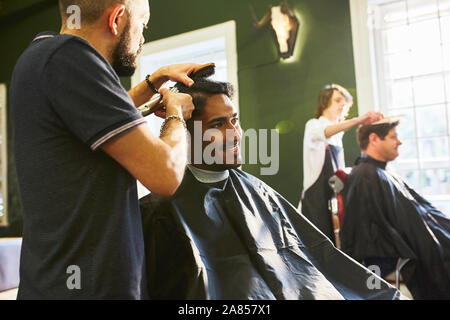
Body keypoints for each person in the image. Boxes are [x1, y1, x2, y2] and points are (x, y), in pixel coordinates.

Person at [140, 74, 403, 300]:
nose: (235, 133)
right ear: (187, 132)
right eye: (218, 124)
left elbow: (320, 261)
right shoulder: (159, 211)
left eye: (235, 120)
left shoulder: (259, 192)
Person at [10, 0, 204, 299]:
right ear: (116, 19)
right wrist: (177, 114)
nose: (142, 37)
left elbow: (92, 116)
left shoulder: (42, 55)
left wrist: (153, 83)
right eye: (143, 23)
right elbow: (166, 174)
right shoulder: (71, 58)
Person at [340, 119, 450, 299]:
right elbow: (371, 236)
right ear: (374, 139)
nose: (399, 142)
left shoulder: (383, 174)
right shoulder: (366, 177)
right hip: (392, 256)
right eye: (393, 137)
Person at [300, 84, 383, 243]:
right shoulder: (313, 125)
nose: (342, 105)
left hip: (334, 202)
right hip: (315, 204)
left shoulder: (338, 137)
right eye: (338, 100)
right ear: (325, 102)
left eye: (345, 103)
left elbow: (337, 175)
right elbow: (326, 132)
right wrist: (358, 120)